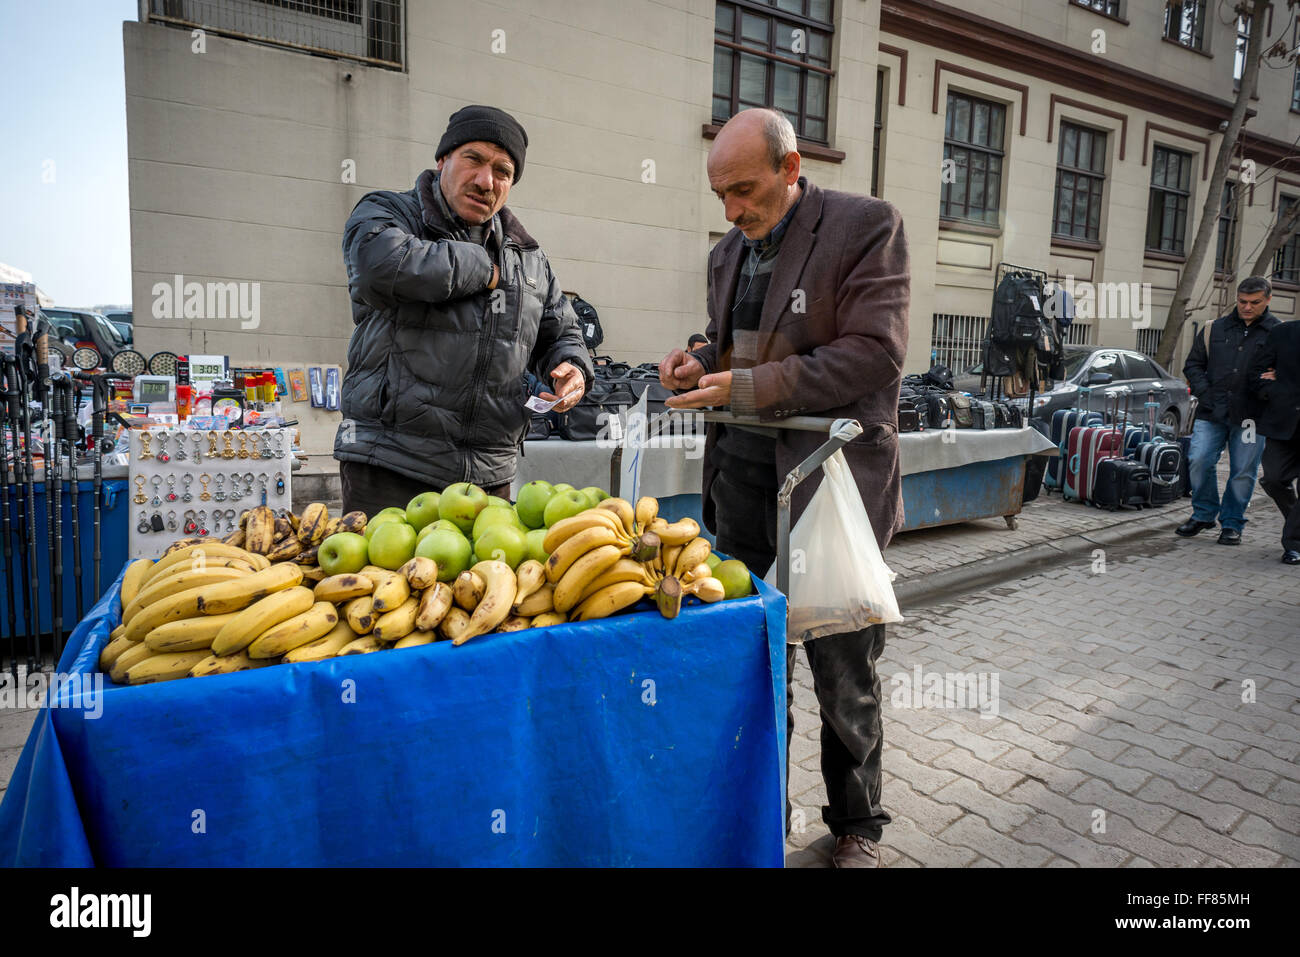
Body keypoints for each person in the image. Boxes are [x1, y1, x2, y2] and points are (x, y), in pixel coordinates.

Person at [659, 108, 909, 868]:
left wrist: (746, 385)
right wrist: (700, 362)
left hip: (827, 491)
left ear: (791, 168)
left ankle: (858, 826)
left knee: (844, 673)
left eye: (744, 190)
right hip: (741, 488)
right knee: (753, 666)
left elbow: (874, 354)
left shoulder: (867, 227)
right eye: (720, 196)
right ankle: (760, 811)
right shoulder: (729, 252)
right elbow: (735, 338)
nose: (732, 212)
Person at [334, 105, 593, 515]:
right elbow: (377, 268)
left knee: (483, 580)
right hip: (390, 466)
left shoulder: (529, 257)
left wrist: (573, 368)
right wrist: (481, 267)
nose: (485, 181)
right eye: (473, 159)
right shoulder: (390, 213)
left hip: (489, 477)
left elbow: (562, 333)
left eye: (502, 171)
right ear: (443, 160)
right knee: (380, 580)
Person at [1177, 277, 1280, 545]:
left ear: (1268, 299)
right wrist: (1205, 393)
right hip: (1212, 411)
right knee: (1198, 460)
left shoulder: (1279, 333)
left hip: (1252, 417)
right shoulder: (1215, 329)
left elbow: (1290, 371)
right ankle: (1204, 514)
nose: (1247, 307)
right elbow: (1193, 365)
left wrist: (1278, 376)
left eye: (1254, 302)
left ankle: (1232, 523)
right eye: (1242, 301)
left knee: (1243, 471)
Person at [1250, 317, 1300, 564]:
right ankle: (1296, 522)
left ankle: (1294, 543)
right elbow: (1256, 372)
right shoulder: (1283, 333)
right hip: (1283, 422)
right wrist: (1272, 390)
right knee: (1274, 478)